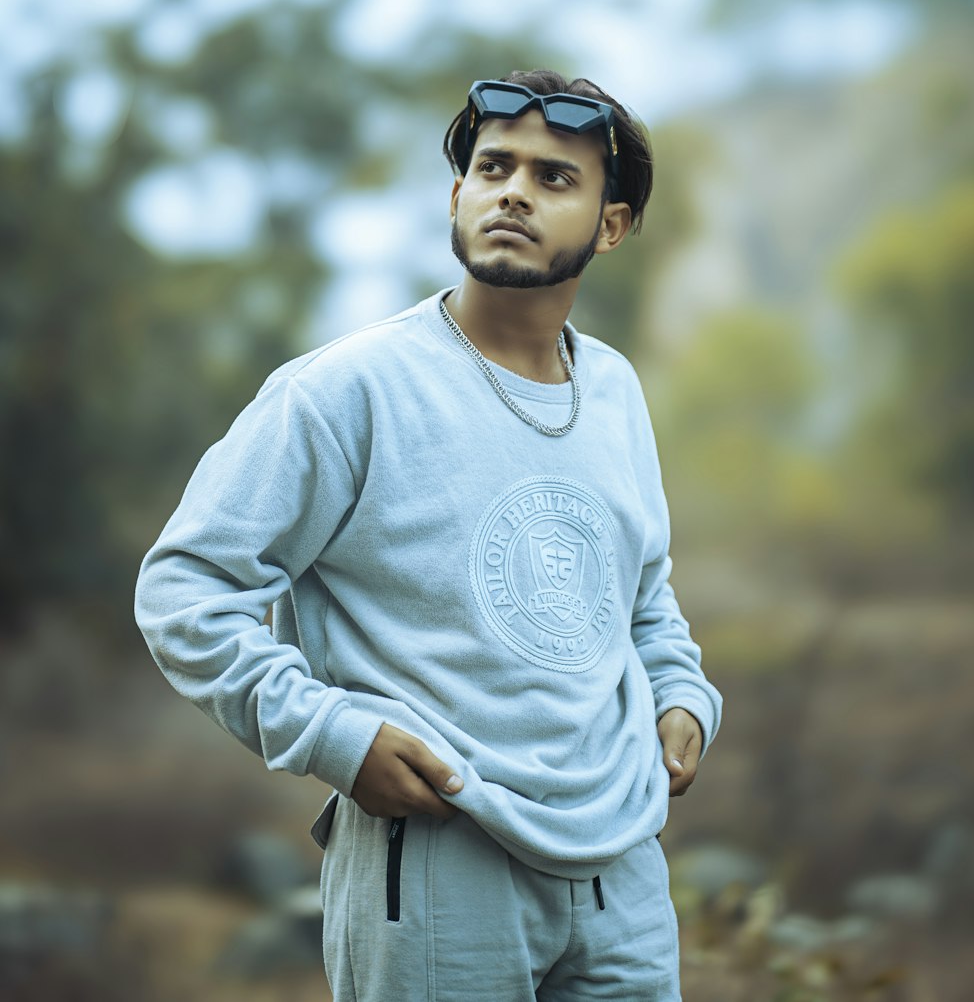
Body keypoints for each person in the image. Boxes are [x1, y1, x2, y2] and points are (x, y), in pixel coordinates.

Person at [135, 68, 722, 1002]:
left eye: (555, 178)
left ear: (611, 225)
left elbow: (641, 594)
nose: (515, 193)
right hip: (441, 858)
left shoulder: (613, 390)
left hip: (623, 869)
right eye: (494, 168)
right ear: (458, 196)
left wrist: (682, 697)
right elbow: (185, 590)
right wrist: (331, 732)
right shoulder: (347, 391)